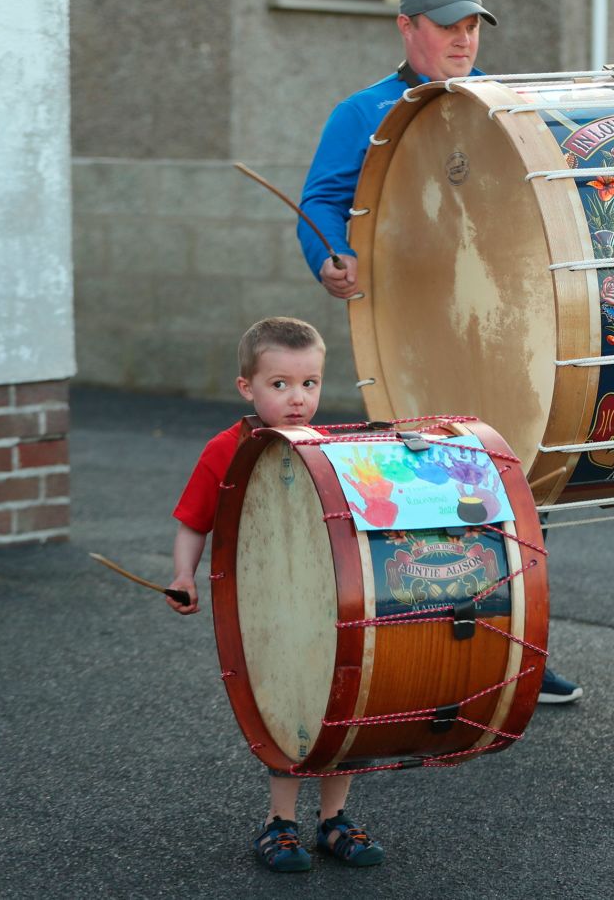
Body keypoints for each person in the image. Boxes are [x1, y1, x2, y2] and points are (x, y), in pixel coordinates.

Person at [296, 0, 584, 706]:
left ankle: (520, 651)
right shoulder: (360, 113)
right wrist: (329, 256)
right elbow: (322, 201)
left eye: (470, 27)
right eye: (446, 26)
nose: (461, 40)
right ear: (406, 27)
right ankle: (432, 657)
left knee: (515, 491)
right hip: (409, 338)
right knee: (428, 497)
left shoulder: (503, 106)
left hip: (504, 334)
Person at [167, 317, 387, 872]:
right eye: (281, 385)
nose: (298, 399)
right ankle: (279, 823)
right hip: (263, 612)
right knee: (288, 706)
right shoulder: (226, 449)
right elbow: (194, 521)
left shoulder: (324, 445)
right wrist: (184, 575)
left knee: (340, 705)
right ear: (248, 387)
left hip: (325, 606)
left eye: (309, 384)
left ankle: (334, 820)